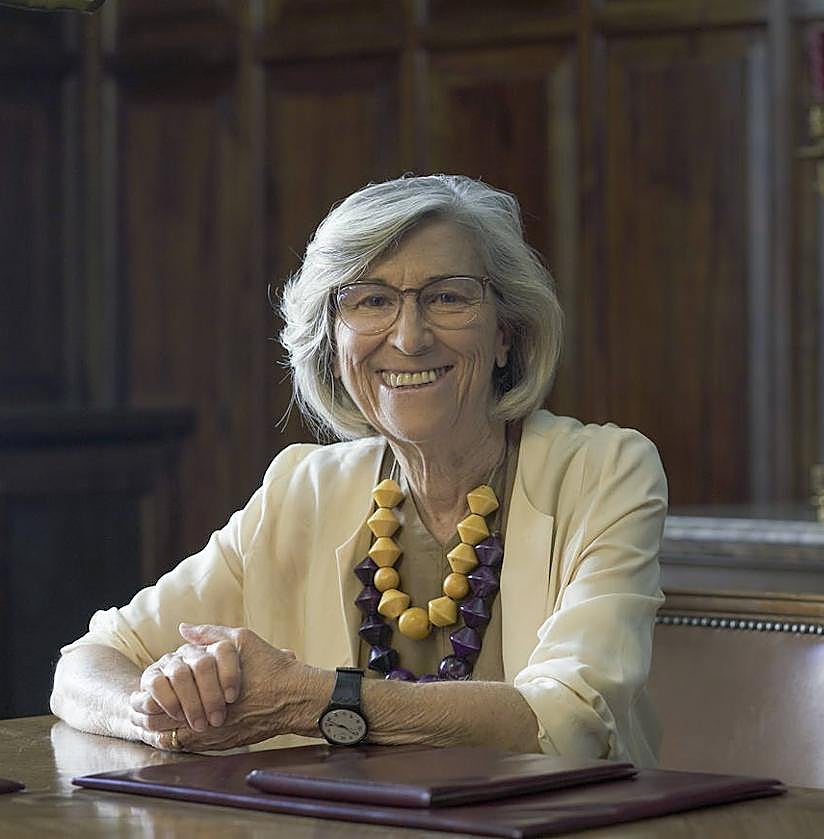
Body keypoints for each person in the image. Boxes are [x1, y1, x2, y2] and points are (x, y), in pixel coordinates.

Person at [50, 175, 667, 766]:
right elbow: (86, 664)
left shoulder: (604, 472)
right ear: (333, 341)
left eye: (448, 297)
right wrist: (159, 713)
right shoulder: (303, 490)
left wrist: (311, 699)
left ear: (506, 333)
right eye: (371, 300)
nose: (410, 337)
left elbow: (571, 720)